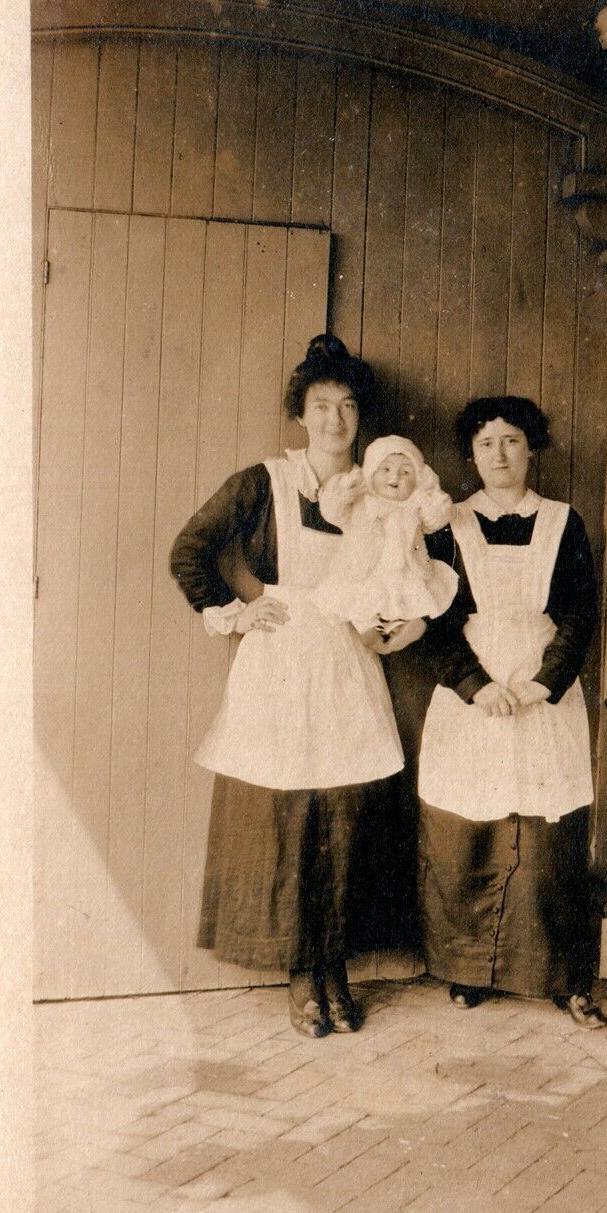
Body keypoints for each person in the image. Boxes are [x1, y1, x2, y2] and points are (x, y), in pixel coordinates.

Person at [169, 335, 424, 1039]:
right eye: (321, 406)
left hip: (346, 658)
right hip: (280, 661)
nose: (334, 420)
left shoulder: (382, 492)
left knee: (343, 816)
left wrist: (392, 623)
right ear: (300, 415)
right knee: (288, 818)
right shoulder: (262, 482)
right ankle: (300, 976)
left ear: (360, 417)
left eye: (346, 406)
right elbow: (190, 549)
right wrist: (234, 612)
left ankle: (334, 968)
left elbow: (401, 577)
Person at [417, 395, 607, 1029]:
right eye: (486, 444)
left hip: (540, 693)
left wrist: (544, 682)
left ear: (531, 449)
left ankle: (561, 977)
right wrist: (473, 684)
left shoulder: (563, 522)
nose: (499, 456)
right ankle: (469, 971)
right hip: (474, 696)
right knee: (468, 834)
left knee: (547, 838)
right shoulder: (449, 525)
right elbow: (436, 618)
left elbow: (581, 613)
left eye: (512, 442)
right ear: (471, 455)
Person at [313, 434, 458, 635]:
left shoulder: (414, 505)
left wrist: (426, 496)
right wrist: (344, 492)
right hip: (366, 570)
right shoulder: (360, 503)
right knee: (362, 601)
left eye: (406, 472)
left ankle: (397, 627)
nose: (394, 477)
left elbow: (435, 521)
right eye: (386, 469)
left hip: (404, 570)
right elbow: (332, 512)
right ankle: (367, 628)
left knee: (406, 600)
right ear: (371, 474)